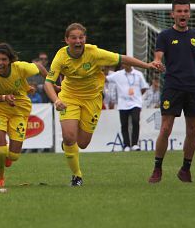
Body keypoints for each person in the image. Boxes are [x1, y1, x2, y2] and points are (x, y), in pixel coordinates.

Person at [44, 24, 161, 186]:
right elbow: (48, 83)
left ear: (85, 39)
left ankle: (69, 144)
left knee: (83, 143)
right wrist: (56, 100)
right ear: (66, 40)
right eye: (74, 38)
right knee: (69, 137)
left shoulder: (94, 53)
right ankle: (76, 176)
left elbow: (122, 58)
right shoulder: (61, 56)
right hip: (68, 98)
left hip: (92, 100)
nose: (78, 41)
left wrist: (147, 65)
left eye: (81, 37)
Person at [147, 0, 195, 184]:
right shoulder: (164, 36)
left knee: (192, 129)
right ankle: (157, 168)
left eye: (185, 11)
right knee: (165, 128)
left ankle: (185, 169)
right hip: (173, 86)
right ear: (172, 14)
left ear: (189, 14)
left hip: (194, 87)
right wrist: (157, 64)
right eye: (179, 11)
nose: (182, 14)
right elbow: (158, 57)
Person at [0, 43, 48, 188]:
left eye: (4, 59)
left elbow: (40, 66)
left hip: (19, 110)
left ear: (10, 60)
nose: (0, 63)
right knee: (0, 151)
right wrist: (5, 97)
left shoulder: (21, 67)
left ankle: (10, 157)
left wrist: (51, 83)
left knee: (14, 156)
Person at [107, 63, 149, 151]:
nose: (124, 65)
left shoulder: (138, 74)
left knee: (135, 121)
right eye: (124, 64)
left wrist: (138, 96)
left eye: (126, 64)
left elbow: (144, 87)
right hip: (122, 103)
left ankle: (134, 144)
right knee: (124, 124)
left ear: (130, 64)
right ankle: (126, 145)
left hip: (135, 103)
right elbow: (106, 79)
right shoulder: (118, 74)